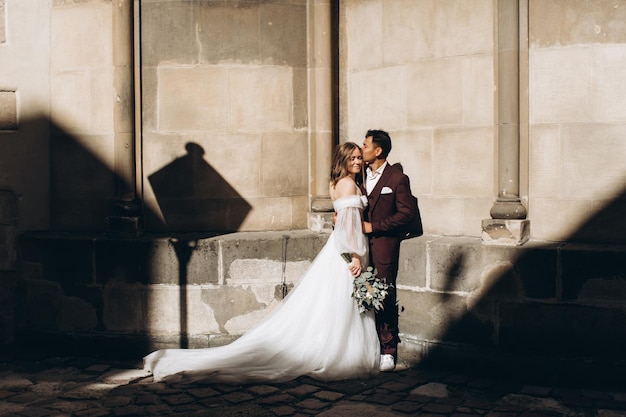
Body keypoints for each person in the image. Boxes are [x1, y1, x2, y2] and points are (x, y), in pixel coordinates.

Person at [143, 142, 379, 384]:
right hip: (346, 253)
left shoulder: (337, 184)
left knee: (331, 304)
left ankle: (329, 343)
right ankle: (336, 351)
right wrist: (355, 255)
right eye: (352, 158)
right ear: (342, 160)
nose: (358, 162)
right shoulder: (349, 184)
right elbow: (348, 227)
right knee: (340, 303)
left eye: (359, 157)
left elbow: (339, 221)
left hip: (338, 249)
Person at [360, 129, 416, 372]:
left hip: (384, 247)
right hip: (359, 247)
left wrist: (375, 226)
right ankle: (366, 345)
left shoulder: (397, 179)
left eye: (365, 146)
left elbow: (406, 214)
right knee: (361, 294)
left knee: (383, 295)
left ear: (378, 150)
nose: (362, 150)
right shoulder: (359, 175)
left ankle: (388, 350)